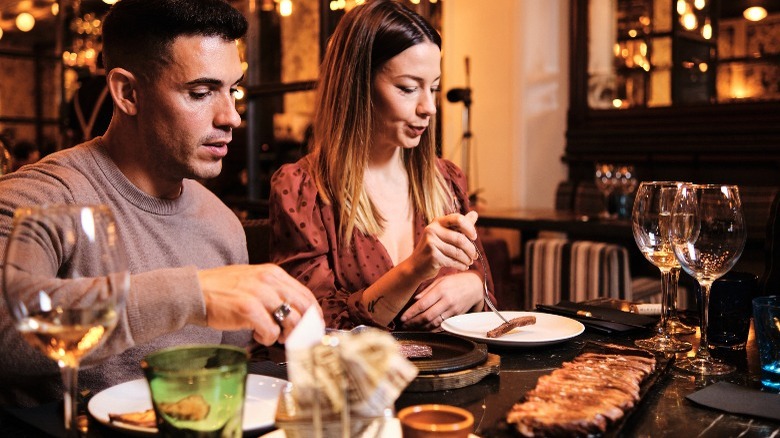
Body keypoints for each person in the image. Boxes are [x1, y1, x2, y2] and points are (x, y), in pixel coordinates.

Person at [0, 0, 319, 407]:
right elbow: (6, 326)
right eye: (201, 92)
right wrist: (191, 294)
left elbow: (233, 370)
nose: (231, 117)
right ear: (128, 93)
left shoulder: (222, 223)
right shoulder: (38, 196)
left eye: (232, 90)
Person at [269, 0, 495, 331]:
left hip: (456, 378)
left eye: (433, 88)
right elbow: (311, 326)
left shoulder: (447, 179)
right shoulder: (302, 189)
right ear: (357, 86)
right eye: (408, 88)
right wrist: (415, 268)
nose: (429, 107)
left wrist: (475, 287)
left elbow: (490, 303)